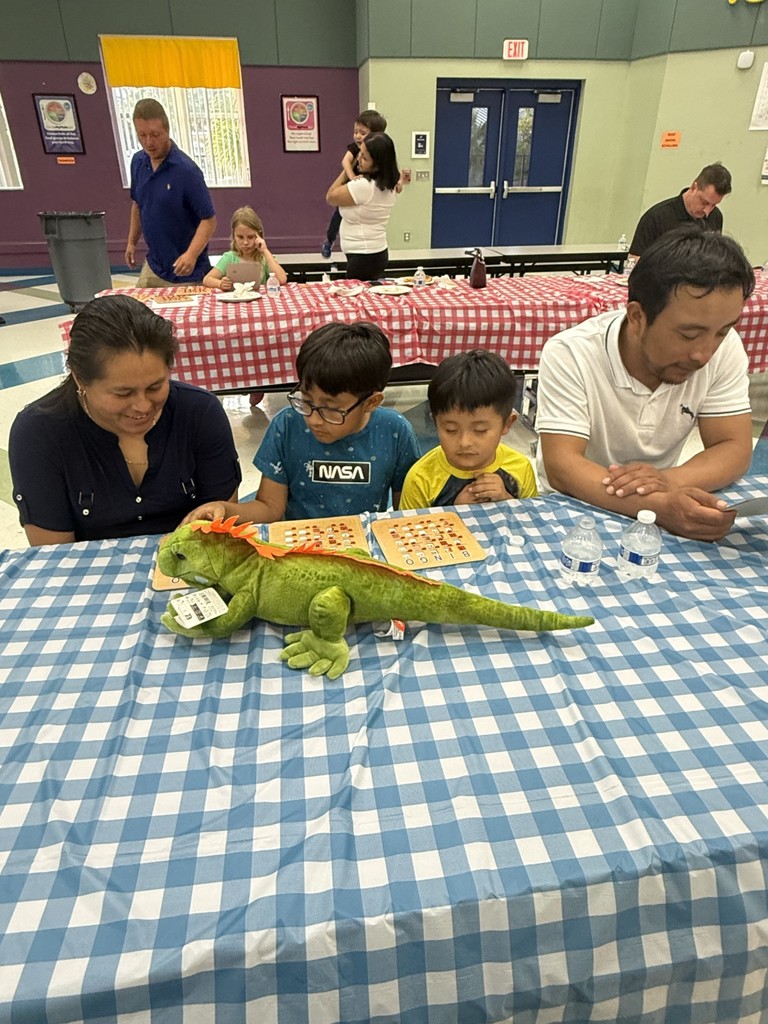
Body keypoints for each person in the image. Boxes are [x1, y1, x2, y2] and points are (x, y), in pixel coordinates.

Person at [535, 226, 754, 543]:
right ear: (637, 317)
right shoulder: (572, 353)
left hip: (657, 511)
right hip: (573, 508)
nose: (704, 354)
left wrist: (665, 481)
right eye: (688, 334)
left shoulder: (725, 348)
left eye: (722, 331)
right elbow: (563, 467)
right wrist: (659, 505)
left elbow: (734, 448)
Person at [9, 295, 241, 545]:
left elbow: (220, 526)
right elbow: (54, 555)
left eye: (155, 386)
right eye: (123, 393)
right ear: (79, 379)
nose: (142, 406)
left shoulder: (199, 413)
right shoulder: (39, 434)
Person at [183, 321, 420, 525]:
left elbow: (404, 512)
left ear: (371, 402)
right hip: (299, 546)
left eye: (331, 410)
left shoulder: (394, 431)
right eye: (306, 401)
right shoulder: (287, 426)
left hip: (363, 546)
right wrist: (225, 510)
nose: (313, 420)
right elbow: (269, 507)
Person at [400, 350, 537, 510]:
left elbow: (531, 522)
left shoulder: (520, 469)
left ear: (507, 424)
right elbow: (409, 531)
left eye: (480, 430)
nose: (464, 442)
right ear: (436, 423)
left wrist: (506, 499)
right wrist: (455, 511)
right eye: (451, 430)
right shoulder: (421, 478)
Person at [125, 98, 217, 287]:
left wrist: (191, 255)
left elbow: (209, 220)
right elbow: (138, 204)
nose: (149, 142)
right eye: (142, 135)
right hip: (154, 266)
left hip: (187, 272)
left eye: (155, 134)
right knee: (135, 315)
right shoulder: (137, 162)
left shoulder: (187, 171)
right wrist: (132, 242)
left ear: (166, 130)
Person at [325, 133, 400, 281]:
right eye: (360, 153)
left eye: (365, 158)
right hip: (375, 252)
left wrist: (347, 171)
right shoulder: (390, 185)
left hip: (363, 256)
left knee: (357, 301)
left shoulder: (364, 186)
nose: (359, 159)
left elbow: (331, 196)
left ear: (378, 164)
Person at [321, 109, 388, 259]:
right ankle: (329, 240)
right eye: (355, 132)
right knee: (337, 216)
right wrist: (351, 175)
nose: (357, 136)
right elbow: (345, 161)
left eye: (362, 133)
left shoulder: (380, 152)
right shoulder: (354, 148)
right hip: (353, 184)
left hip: (370, 240)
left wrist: (399, 182)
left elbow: (389, 170)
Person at [629, 162, 731, 260]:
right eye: (704, 202)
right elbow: (635, 260)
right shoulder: (656, 217)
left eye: (713, 205)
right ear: (694, 187)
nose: (707, 211)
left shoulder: (716, 217)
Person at [203, 206, 287, 290]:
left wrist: (265, 250)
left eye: (250, 237)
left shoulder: (264, 258)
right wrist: (220, 283)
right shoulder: (229, 258)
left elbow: (282, 279)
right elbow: (207, 279)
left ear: (259, 236)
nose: (245, 243)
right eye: (240, 237)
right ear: (234, 236)